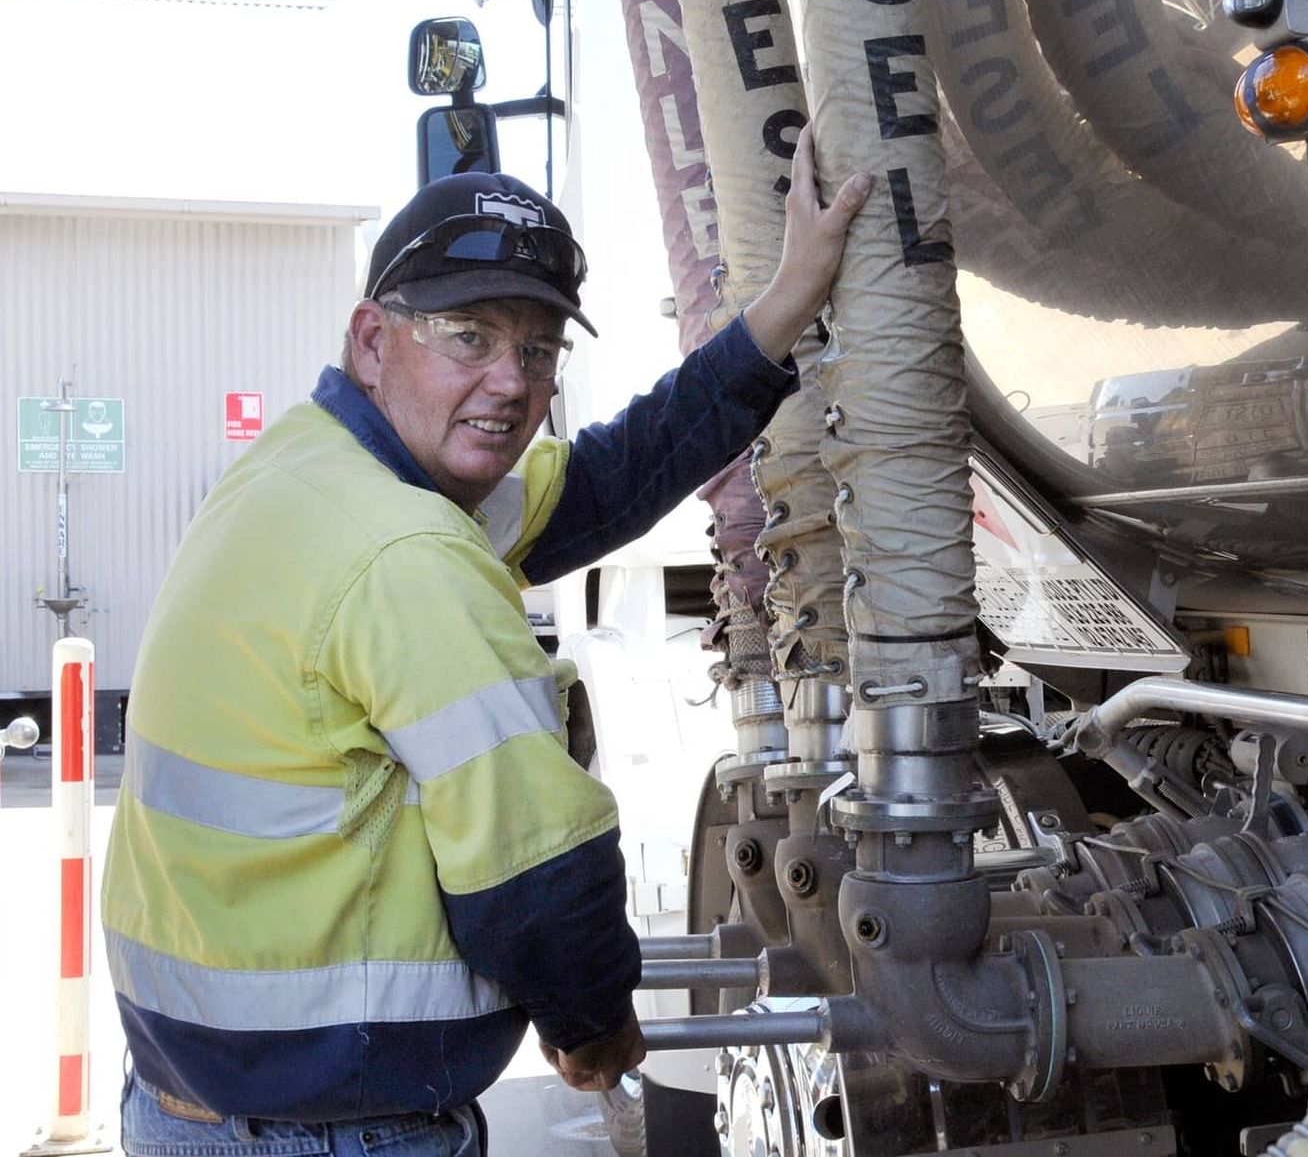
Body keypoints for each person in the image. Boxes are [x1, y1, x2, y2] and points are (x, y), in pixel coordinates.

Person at [100, 128, 870, 1155]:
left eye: (539, 349)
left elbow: (604, 480)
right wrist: (594, 1027)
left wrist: (784, 304)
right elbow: (539, 874)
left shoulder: (308, 466)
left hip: (199, 1095)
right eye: (469, 336)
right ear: (373, 339)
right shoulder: (406, 551)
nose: (512, 381)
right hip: (321, 1128)